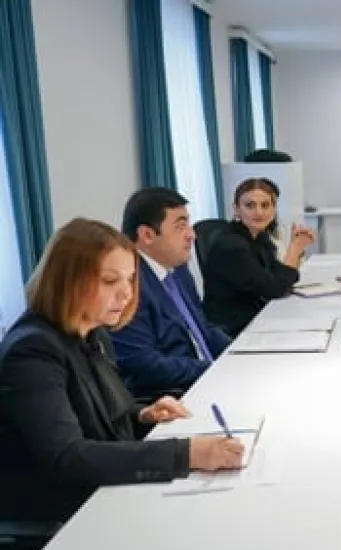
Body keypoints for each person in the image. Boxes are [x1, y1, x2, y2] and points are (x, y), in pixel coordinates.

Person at [0, 218, 244, 528]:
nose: (126, 293)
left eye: (129, 280)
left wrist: (142, 414)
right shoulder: (32, 351)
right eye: (109, 281)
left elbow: (99, 416)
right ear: (67, 280)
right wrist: (186, 455)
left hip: (105, 491)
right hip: (63, 517)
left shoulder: (94, 333)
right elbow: (68, 457)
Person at [111, 188, 231, 401]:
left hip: (207, 380)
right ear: (147, 235)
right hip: (172, 397)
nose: (192, 234)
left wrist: (236, 352)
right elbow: (141, 364)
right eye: (180, 226)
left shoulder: (178, 269)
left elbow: (202, 327)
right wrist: (212, 368)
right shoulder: (128, 284)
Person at [203, 178, 315, 337]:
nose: (259, 212)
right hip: (234, 330)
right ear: (236, 209)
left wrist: (297, 247)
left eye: (265, 205)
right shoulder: (232, 246)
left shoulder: (258, 238)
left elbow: (278, 275)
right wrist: (295, 248)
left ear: (274, 209)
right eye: (250, 205)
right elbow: (274, 289)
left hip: (256, 317)